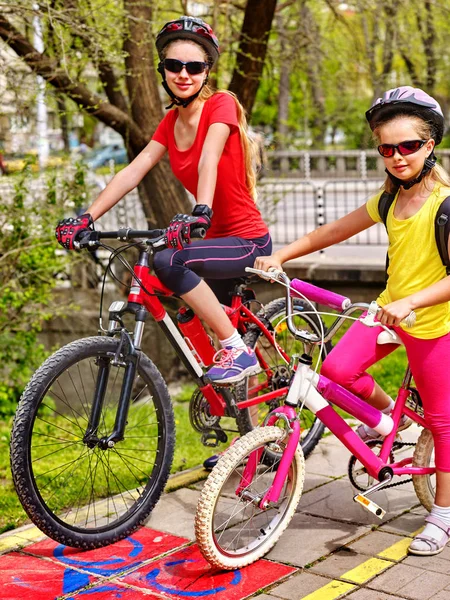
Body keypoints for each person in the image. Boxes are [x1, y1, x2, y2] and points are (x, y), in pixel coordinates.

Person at [255, 86, 450, 556]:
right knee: (337, 372)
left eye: (408, 146)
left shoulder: (444, 204)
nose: (397, 156)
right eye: (387, 148)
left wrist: (412, 303)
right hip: (387, 310)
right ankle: (390, 421)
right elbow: (332, 231)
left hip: (434, 321)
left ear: (429, 145)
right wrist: (280, 255)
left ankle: (442, 516)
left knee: (444, 423)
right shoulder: (387, 201)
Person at [55, 20, 271, 385]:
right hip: (213, 242)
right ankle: (233, 378)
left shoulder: (222, 104)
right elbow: (132, 172)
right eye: (174, 65)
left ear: (207, 71)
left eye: (194, 67)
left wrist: (200, 210)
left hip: (246, 242)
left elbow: (208, 158)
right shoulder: (169, 123)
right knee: (164, 281)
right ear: (163, 71)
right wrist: (85, 218)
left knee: (169, 260)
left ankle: (236, 348)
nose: (183, 74)